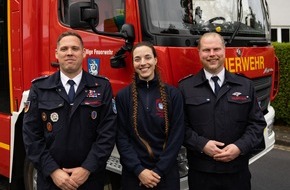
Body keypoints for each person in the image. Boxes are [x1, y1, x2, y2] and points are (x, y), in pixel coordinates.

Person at [22, 31, 117, 190]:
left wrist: (87, 168)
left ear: (84, 53)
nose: (70, 53)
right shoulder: (39, 88)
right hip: (52, 181)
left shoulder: (102, 87)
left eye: (75, 48)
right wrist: (53, 171)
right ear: (56, 54)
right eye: (64, 49)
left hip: (90, 179)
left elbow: (108, 133)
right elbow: (31, 136)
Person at [178, 32, 266, 190]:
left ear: (225, 51)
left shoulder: (245, 85)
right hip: (201, 174)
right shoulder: (185, 87)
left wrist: (239, 147)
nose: (212, 54)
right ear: (199, 53)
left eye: (216, 49)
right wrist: (202, 144)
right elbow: (179, 127)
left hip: (237, 173)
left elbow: (257, 124)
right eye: (206, 50)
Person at [116, 41, 185, 189]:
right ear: (133, 63)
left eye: (147, 57)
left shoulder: (173, 95)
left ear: (155, 60)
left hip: (165, 175)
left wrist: (159, 171)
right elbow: (122, 138)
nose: (143, 63)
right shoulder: (123, 96)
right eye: (137, 59)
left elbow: (177, 136)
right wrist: (139, 170)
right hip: (134, 176)